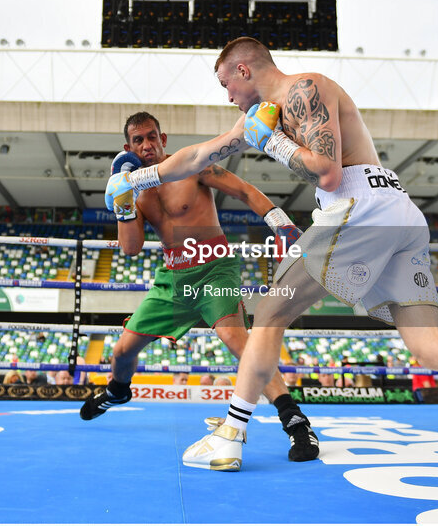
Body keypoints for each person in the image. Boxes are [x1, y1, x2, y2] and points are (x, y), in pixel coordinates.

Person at [104, 37, 438, 496]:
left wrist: (273, 143)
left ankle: (229, 436)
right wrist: (134, 179)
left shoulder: (303, 88)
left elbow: (326, 171)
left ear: (244, 70)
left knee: (270, 312)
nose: (227, 95)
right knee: (429, 344)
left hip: (358, 208)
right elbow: (198, 155)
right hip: (398, 215)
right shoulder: (265, 113)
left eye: (227, 84)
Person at [83, 111, 320, 463]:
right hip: (173, 279)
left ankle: (297, 423)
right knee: (121, 352)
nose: (147, 145)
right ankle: (118, 391)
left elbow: (243, 190)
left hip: (214, 269)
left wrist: (279, 223)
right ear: (128, 147)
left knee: (237, 342)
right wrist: (123, 206)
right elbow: (130, 248)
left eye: (152, 137)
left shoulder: (192, 166)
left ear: (163, 139)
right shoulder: (134, 189)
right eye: (138, 140)